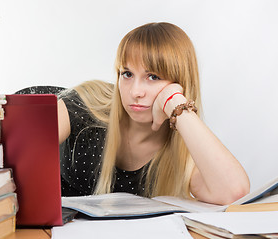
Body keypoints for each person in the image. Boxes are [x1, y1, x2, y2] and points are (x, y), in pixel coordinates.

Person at [57, 22, 250, 205]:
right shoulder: (88, 104)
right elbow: (29, 146)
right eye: (127, 74)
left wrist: (175, 103)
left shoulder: (181, 155)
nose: (135, 92)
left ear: (180, 83)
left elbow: (234, 192)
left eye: (153, 77)